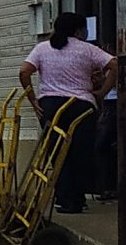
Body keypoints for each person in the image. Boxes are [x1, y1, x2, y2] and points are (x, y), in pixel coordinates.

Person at [20, 12, 115, 215]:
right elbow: (115, 64)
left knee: (56, 153)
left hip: (52, 105)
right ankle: (79, 198)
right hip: (82, 105)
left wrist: (33, 100)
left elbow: (24, 72)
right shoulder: (88, 49)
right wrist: (102, 92)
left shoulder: (42, 48)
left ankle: (64, 198)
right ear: (79, 30)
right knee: (80, 152)